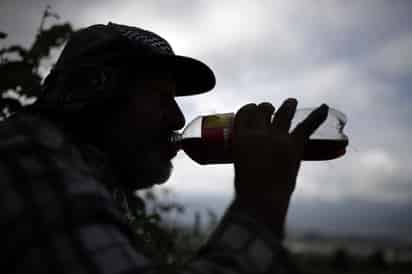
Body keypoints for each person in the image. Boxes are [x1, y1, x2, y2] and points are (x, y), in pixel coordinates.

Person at [0, 22, 328, 273]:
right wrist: (262, 202)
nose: (178, 118)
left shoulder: (87, 179)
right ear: (95, 90)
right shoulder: (28, 157)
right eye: (160, 97)